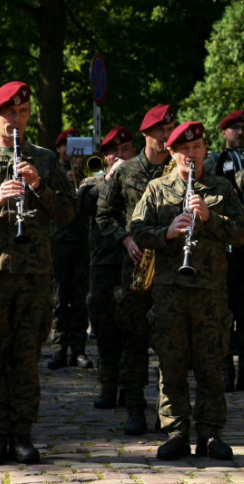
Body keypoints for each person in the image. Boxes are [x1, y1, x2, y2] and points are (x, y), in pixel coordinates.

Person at [0, 81, 76, 465]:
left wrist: (40, 187)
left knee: (26, 356)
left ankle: (22, 433)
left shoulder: (45, 159)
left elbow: (68, 212)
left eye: (23, 114)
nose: (17, 121)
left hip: (34, 271)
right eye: (10, 114)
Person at [131, 121, 244, 460]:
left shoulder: (221, 188)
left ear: (204, 150)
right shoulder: (157, 188)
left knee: (211, 363)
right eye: (184, 149)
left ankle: (210, 432)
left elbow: (242, 233)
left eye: (197, 148)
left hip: (210, 291)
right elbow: (137, 230)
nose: (191, 155)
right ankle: (177, 431)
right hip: (170, 291)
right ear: (172, 152)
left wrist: (211, 218)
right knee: (172, 363)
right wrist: (167, 232)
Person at [96, 104, 175, 435]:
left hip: (171, 265)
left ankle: (168, 410)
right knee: (134, 339)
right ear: (146, 134)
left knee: (171, 340)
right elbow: (104, 214)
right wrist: (125, 239)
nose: (167, 136)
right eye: (161, 130)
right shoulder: (125, 172)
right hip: (138, 266)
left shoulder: (181, 168)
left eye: (170, 128)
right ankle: (134, 408)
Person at [87, 126, 136, 409]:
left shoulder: (142, 177)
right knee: (105, 327)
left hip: (133, 260)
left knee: (131, 327)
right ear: (104, 157)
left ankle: (130, 388)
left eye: (125, 150)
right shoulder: (92, 182)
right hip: (104, 263)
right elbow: (80, 205)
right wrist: (108, 180)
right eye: (112, 152)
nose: (119, 156)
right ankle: (108, 384)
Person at [215, 109, 244, 392]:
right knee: (222, 311)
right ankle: (223, 369)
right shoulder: (213, 162)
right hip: (223, 247)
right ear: (224, 132)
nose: (240, 133)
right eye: (234, 128)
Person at [47, 128, 93, 370]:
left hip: (81, 244)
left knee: (79, 300)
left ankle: (79, 350)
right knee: (58, 300)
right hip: (56, 243)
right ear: (58, 148)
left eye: (75, 145)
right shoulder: (51, 171)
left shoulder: (87, 172)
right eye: (65, 144)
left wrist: (84, 180)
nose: (70, 149)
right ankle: (58, 349)